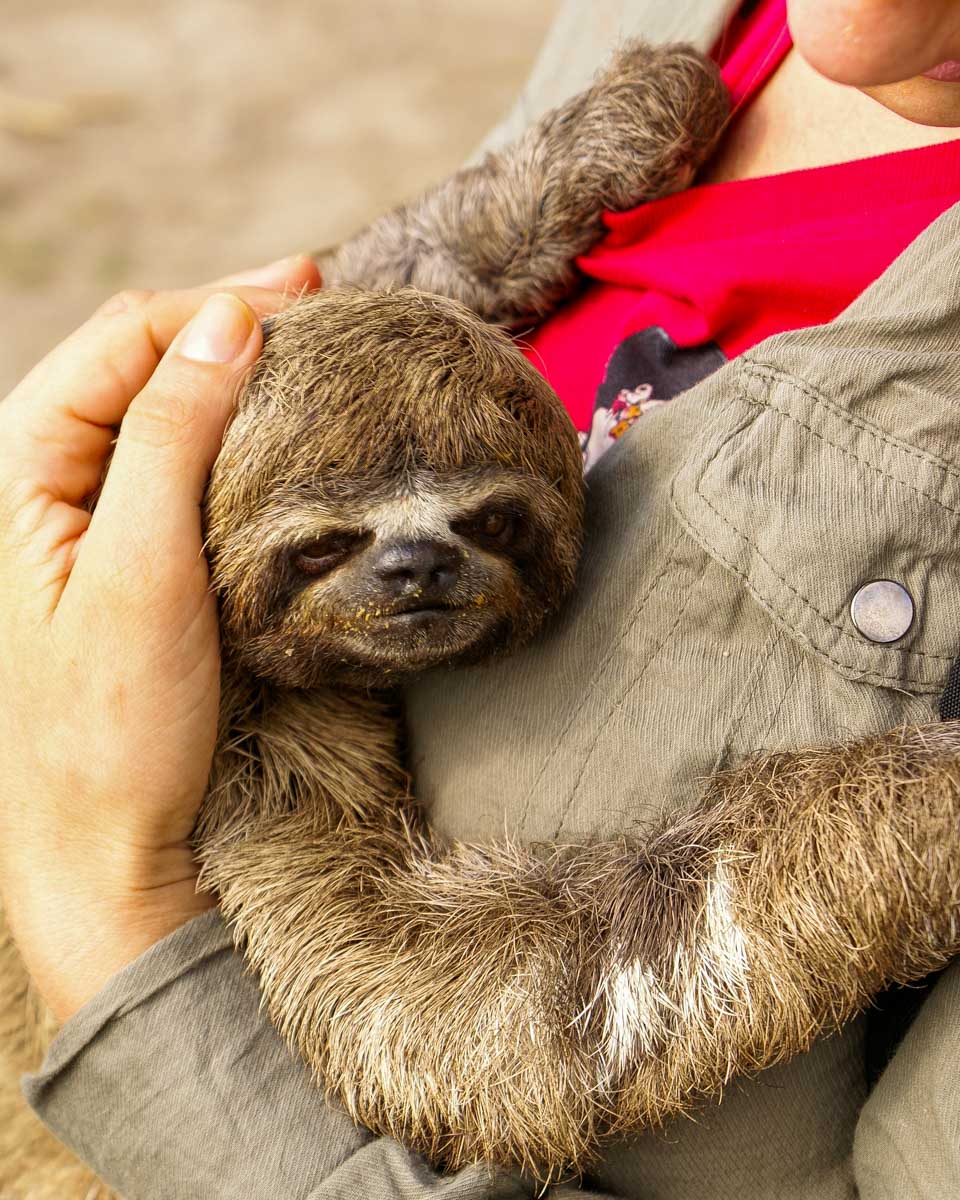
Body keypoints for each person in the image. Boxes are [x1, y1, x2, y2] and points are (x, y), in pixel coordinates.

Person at [3, 1, 960, 1196]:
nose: (415, 568)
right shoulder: (270, 776)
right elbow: (314, 332)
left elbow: (462, 1034)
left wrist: (94, 880)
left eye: (490, 526)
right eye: (326, 550)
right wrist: (517, 208)